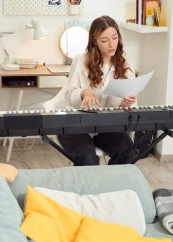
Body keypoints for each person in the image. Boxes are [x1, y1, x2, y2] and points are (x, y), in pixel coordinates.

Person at [55, 15, 137, 166]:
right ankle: (88, 189)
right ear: (94, 41)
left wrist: (125, 102)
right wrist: (83, 92)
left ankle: (113, 187)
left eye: (114, 37)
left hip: (105, 125)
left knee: (128, 150)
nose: (111, 44)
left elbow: (122, 103)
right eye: (104, 41)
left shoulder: (127, 66)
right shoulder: (81, 60)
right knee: (88, 157)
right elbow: (69, 96)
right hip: (74, 123)